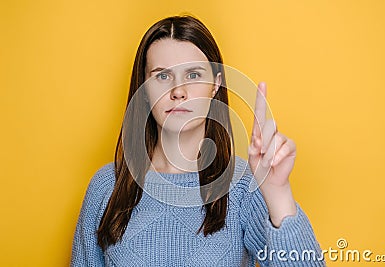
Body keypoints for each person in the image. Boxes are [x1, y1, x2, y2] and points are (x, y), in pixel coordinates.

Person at [71, 15, 325, 266]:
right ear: (144, 90)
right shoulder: (107, 187)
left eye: (193, 75)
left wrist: (279, 193)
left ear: (215, 85)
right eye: (162, 76)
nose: (178, 91)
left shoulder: (241, 187)